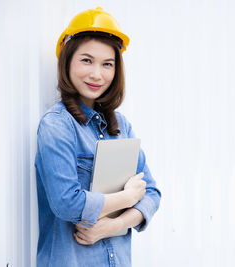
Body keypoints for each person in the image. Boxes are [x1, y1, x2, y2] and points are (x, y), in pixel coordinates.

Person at [34, 7, 161, 266]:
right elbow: (67, 203)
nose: (97, 74)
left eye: (107, 64)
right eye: (87, 60)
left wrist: (112, 226)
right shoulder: (57, 126)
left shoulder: (121, 126)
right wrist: (126, 198)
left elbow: (152, 194)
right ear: (67, 60)